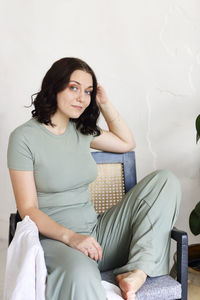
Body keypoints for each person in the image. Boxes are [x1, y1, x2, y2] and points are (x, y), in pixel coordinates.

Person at [7, 57, 181, 300]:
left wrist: (105, 103)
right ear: (54, 86)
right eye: (74, 87)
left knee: (165, 181)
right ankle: (92, 267)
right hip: (56, 240)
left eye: (87, 91)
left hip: (98, 235)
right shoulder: (23, 138)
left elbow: (126, 142)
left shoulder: (81, 129)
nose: (82, 97)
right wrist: (72, 238)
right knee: (80, 273)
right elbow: (27, 209)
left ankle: (138, 272)